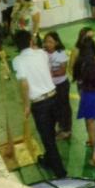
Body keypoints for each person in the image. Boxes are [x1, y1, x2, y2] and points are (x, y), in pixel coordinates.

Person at [12, 30, 66, 178]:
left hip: (40, 104)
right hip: (54, 98)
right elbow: (47, 71)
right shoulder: (42, 54)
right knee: (50, 132)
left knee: (48, 140)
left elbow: (24, 84)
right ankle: (48, 160)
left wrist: (26, 105)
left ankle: (61, 174)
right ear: (31, 41)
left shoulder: (18, 61)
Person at [43, 32, 71, 140]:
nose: (47, 44)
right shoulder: (43, 53)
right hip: (51, 86)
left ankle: (66, 130)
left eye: (51, 42)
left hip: (61, 85)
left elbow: (63, 71)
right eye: (46, 41)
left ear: (57, 42)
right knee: (55, 108)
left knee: (64, 107)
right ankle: (61, 127)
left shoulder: (60, 53)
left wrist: (49, 74)